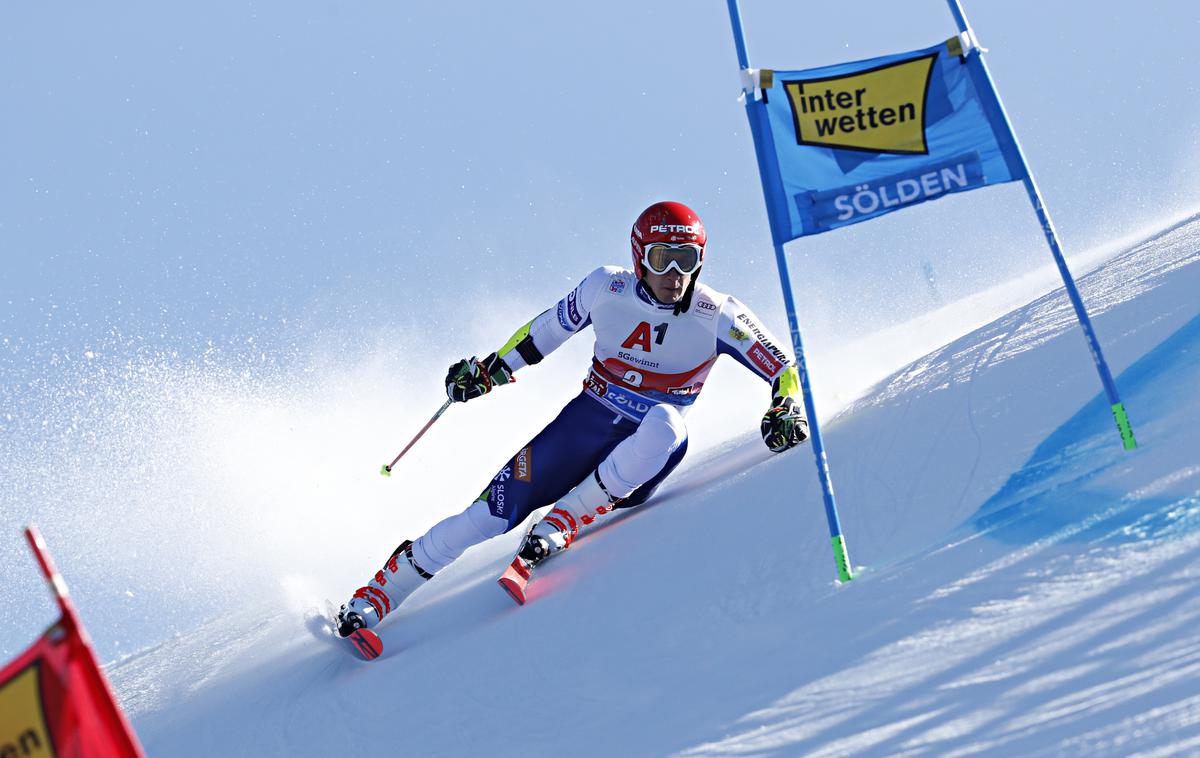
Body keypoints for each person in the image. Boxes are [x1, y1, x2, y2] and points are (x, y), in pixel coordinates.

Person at [335, 201, 809, 636]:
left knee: (668, 421)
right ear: (640, 255)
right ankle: (379, 594)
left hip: (645, 454)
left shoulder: (717, 312)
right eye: (663, 258)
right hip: (581, 428)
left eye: (687, 259)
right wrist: (488, 372)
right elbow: (541, 334)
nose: (675, 274)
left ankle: (564, 520)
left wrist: (784, 407)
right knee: (486, 516)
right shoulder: (608, 287)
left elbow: (783, 367)